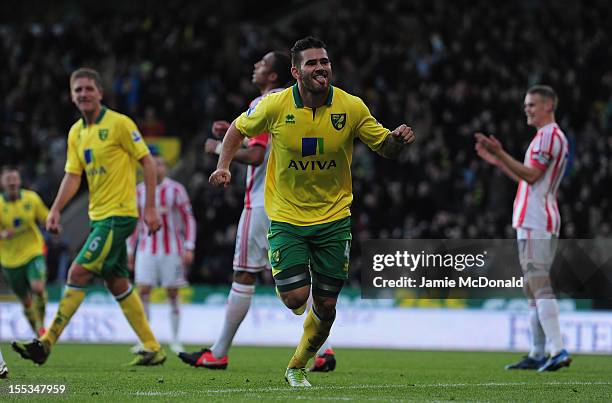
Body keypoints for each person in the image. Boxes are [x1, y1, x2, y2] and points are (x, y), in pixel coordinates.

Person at [208, 37, 415, 386]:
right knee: (294, 299)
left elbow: (385, 148)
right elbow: (236, 129)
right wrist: (224, 164)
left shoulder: (350, 107)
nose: (321, 68)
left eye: (325, 62)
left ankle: (297, 365)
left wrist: (397, 139)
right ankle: (294, 328)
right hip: (287, 216)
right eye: (311, 63)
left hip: (334, 219)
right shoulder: (275, 105)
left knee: (327, 305)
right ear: (295, 71)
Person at [180, 50, 339, 371]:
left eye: (262, 64)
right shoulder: (297, 102)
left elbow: (255, 156)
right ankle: (323, 350)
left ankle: (218, 353)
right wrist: (233, 133)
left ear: (273, 75)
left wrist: (219, 150)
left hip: (262, 201)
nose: (255, 67)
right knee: (298, 282)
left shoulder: (265, 103)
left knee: (244, 274)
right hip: (292, 200)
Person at [12, 67, 166, 366]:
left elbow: (147, 162)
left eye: (88, 89)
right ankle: (151, 347)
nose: (83, 94)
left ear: (100, 93)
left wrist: (148, 207)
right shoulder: (76, 133)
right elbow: (73, 176)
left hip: (118, 215)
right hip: (99, 217)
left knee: (77, 273)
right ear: (72, 96)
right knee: (116, 281)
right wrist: (55, 209)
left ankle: (46, 342)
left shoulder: (119, 123)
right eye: (77, 90)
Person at [475, 84, 571, 372]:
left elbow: (531, 176)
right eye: (525, 104)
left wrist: (501, 153)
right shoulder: (547, 137)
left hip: (536, 219)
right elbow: (529, 180)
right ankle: (538, 352)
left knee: (538, 281)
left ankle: (558, 349)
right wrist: (499, 161)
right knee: (532, 286)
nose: (526, 109)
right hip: (535, 216)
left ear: (548, 106)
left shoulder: (548, 136)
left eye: (531, 104)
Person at [127, 154, 196, 354]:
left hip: (172, 250)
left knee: (173, 293)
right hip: (145, 249)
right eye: (153, 164)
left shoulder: (176, 190)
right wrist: (130, 250)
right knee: (143, 291)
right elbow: (135, 224)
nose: (157, 167)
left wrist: (189, 246)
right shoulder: (139, 191)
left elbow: (189, 219)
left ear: (165, 167)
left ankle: (175, 339)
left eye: (160, 163)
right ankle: (146, 340)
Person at [0, 166, 49, 337]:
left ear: (19, 181)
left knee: (37, 287)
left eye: (14, 179)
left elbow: (45, 217)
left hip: (33, 251)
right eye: (8, 179)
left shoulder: (31, 198)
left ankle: (42, 326)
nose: (12, 182)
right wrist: (2, 234)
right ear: (2, 183)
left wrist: (52, 224)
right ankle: (36, 330)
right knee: (26, 301)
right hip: (9, 260)